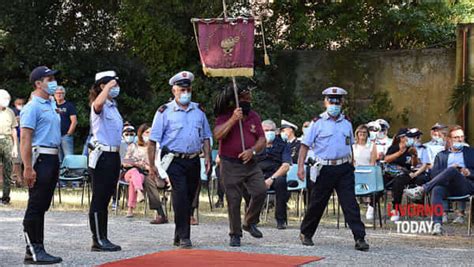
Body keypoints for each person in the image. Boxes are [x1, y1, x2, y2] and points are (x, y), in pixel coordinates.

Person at [297, 86, 369, 251]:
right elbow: (304, 146)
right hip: (324, 168)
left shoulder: (347, 123)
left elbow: (350, 145)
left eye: (337, 101)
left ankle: (360, 238)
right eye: (331, 101)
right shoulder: (317, 123)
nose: (334, 104)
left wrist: (352, 162)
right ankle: (306, 233)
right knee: (317, 203)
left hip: (344, 168)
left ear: (342, 102)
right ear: (325, 102)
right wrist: (300, 167)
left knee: (350, 203)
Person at [148, 71, 211, 249]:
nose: (185, 93)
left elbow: (206, 136)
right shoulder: (164, 111)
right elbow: (153, 141)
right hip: (172, 159)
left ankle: (178, 234)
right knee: (180, 193)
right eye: (182, 89)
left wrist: (207, 158)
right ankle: (185, 236)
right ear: (174, 90)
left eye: (188, 89)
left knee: (190, 196)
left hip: (192, 159)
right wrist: (152, 166)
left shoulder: (198, 110)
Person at [214, 81, 267, 247]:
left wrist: (252, 150)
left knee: (260, 190)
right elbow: (218, 135)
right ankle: (235, 234)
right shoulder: (224, 114)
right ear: (236, 99)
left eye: (249, 98)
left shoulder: (254, 116)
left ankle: (249, 221)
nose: (249, 101)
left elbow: (262, 139)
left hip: (250, 162)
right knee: (234, 199)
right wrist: (232, 120)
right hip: (230, 163)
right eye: (245, 97)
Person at [20, 66, 62, 264]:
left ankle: (39, 247)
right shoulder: (32, 107)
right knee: (35, 205)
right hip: (41, 158)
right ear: (38, 83)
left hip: (53, 157)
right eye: (49, 78)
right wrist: (28, 167)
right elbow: (26, 139)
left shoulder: (50, 103)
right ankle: (32, 249)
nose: (53, 81)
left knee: (42, 205)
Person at [404, 125, 474, 235]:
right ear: (449, 140)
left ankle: (422, 189)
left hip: (465, 185)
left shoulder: (471, 152)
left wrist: (469, 172)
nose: (460, 139)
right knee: (437, 188)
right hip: (447, 186)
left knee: (452, 170)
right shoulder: (441, 155)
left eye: (461, 137)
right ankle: (437, 225)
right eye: (456, 137)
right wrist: (448, 173)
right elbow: (434, 175)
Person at [87, 70, 123, 252]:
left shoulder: (113, 106)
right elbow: (97, 104)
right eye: (112, 85)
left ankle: (104, 237)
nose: (116, 88)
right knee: (99, 198)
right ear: (103, 86)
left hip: (113, 155)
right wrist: (108, 86)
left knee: (106, 197)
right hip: (102, 157)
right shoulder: (99, 104)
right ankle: (98, 240)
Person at [255, 119, 291, 229]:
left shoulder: (283, 144)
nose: (269, 132)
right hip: (258, 174)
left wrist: (271, 179)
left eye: (271, 130)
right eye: (266, 130)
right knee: (248, 183)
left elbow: (286, 166)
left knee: (281, 183)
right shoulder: (255, 143)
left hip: (276, 174)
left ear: (276, 132)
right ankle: (252, 218)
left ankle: (281, 220)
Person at [383, 128, 420, 221]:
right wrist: (400, 153)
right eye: (408, 136)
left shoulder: (410, 149)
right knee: (380, 180)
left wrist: (414, 155)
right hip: (390, 172)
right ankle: (372, 205)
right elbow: (387, 159)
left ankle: (396, 209)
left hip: (405, 174)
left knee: (398, 182)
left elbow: (414, 164)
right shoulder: (393, 148)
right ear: (402, 138)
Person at [122, 124, 146, 218]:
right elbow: (125, 162)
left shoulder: (150, 148)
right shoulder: (132, 146)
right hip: (129, 171)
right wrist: (135, 163)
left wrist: (143, 165)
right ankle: (139, 192)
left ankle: (130, 209)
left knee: (134, 180)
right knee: (134, 171)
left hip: (142, 173)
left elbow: (150, 164)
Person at [0, 89, 18, 205]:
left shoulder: (10, 112)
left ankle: (5, 197)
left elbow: (13, 129)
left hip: (7, 140)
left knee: (7, 169)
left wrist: (15, 146)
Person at [54, 86, 77, 161]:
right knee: (58, 159)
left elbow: (74, 121)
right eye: (57, 93)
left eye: (61, 93)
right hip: (55, 136)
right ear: (54, 95)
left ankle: (70, 173)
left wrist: (69, 133)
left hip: (65, 136)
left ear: (64, 94)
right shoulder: (52, 105)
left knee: (69, 158)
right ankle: (59, 173)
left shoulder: (69, 105)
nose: (59, 95)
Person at [12, 97, 25, 186]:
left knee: (25, 160)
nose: (20, 105)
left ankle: (25, 180)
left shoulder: (27, 110)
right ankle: (18, 179)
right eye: (18, 103)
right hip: (16, 138)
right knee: (17, 160)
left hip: (25, 137)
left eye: (21, 103)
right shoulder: (11, 112)